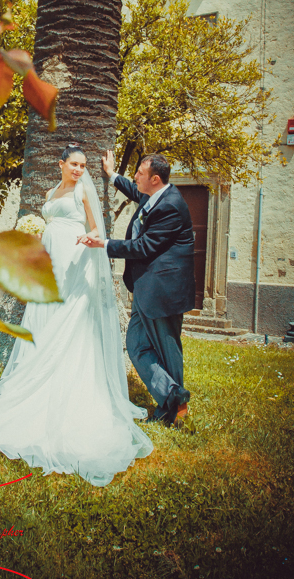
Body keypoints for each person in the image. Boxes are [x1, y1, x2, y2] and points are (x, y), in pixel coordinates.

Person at [0, 144, 153, 487]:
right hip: (47, 262)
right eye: (73, 164)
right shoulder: (49, 192)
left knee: (67, 321)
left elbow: (96, 231)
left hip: (74, 262)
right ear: (61, 164)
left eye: (83, 165)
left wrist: (86, 238)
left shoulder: (83, 194)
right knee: (42, 318)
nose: (78, 169)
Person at [83, 151, 195, 427]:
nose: (136, 177)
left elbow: (144, 247)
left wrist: (105, 245)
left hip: (163, 291)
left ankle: (173, 409)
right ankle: (173, 397)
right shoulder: (155, 194)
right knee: (136, 345)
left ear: (155, 179)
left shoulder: (171, 206)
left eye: (140, 173)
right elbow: (135, 191)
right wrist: (112, 175)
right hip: (148, 289)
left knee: (168, 349)